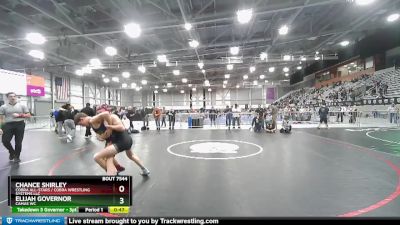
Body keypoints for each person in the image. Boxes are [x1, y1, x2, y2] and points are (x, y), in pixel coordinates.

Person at [74, 111, 150, 176]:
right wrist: (102, 137)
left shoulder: (94, 120)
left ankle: (114, 174)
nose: (82, 126)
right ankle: (144, 169)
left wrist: (109, 127)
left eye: (81, 124)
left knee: (99, 157)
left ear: (82, 119)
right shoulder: (94, 123)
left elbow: (121, 127)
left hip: (121, 140)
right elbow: (101, 136)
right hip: (122, 140)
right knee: (130, 155)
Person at [0, 92, 31, 162]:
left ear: (16, 97)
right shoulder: (3, 107)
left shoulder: (22, 106)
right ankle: (12, 152)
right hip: (8, 125)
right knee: (5, 141)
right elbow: (1, 118)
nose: (13, 98)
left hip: (19, 124)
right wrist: (0, 128)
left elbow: (28, 115)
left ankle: (17, 156)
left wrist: (19, 115)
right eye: (10, 96)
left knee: (18, 142)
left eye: (14, 96)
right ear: (7, 98)